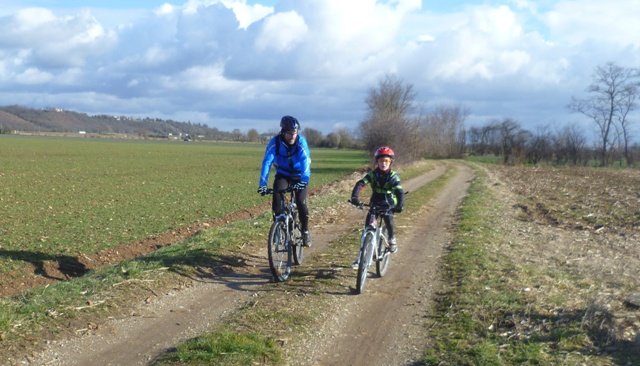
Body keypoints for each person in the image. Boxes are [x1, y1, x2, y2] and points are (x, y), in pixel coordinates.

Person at [258, 115, 312, 246]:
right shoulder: (275, 143)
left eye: (295, 132)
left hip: (299, 176)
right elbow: (267, 163)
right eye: (289, 133)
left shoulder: (301, 143)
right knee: (277, 197)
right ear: (282, 131)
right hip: (283, 174)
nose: (293, 136)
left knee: (301, 202)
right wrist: (263, 184)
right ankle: (278, 228)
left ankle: (305, 231)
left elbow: (306, 162)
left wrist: (304, 180)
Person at [350, 146, 404, 266]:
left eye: (386, 161)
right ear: (377, 162)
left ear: (390, 162)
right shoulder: (373, 175)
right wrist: (355, 197)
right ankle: (360, 256)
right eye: (381, 161)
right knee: (367, 228)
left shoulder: (393, 176)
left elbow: (399, 192)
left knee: (388, 220)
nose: (383, 163)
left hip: (388, 203)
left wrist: (400, 205)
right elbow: (361, 184)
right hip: (375, 202)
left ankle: (392, 240)